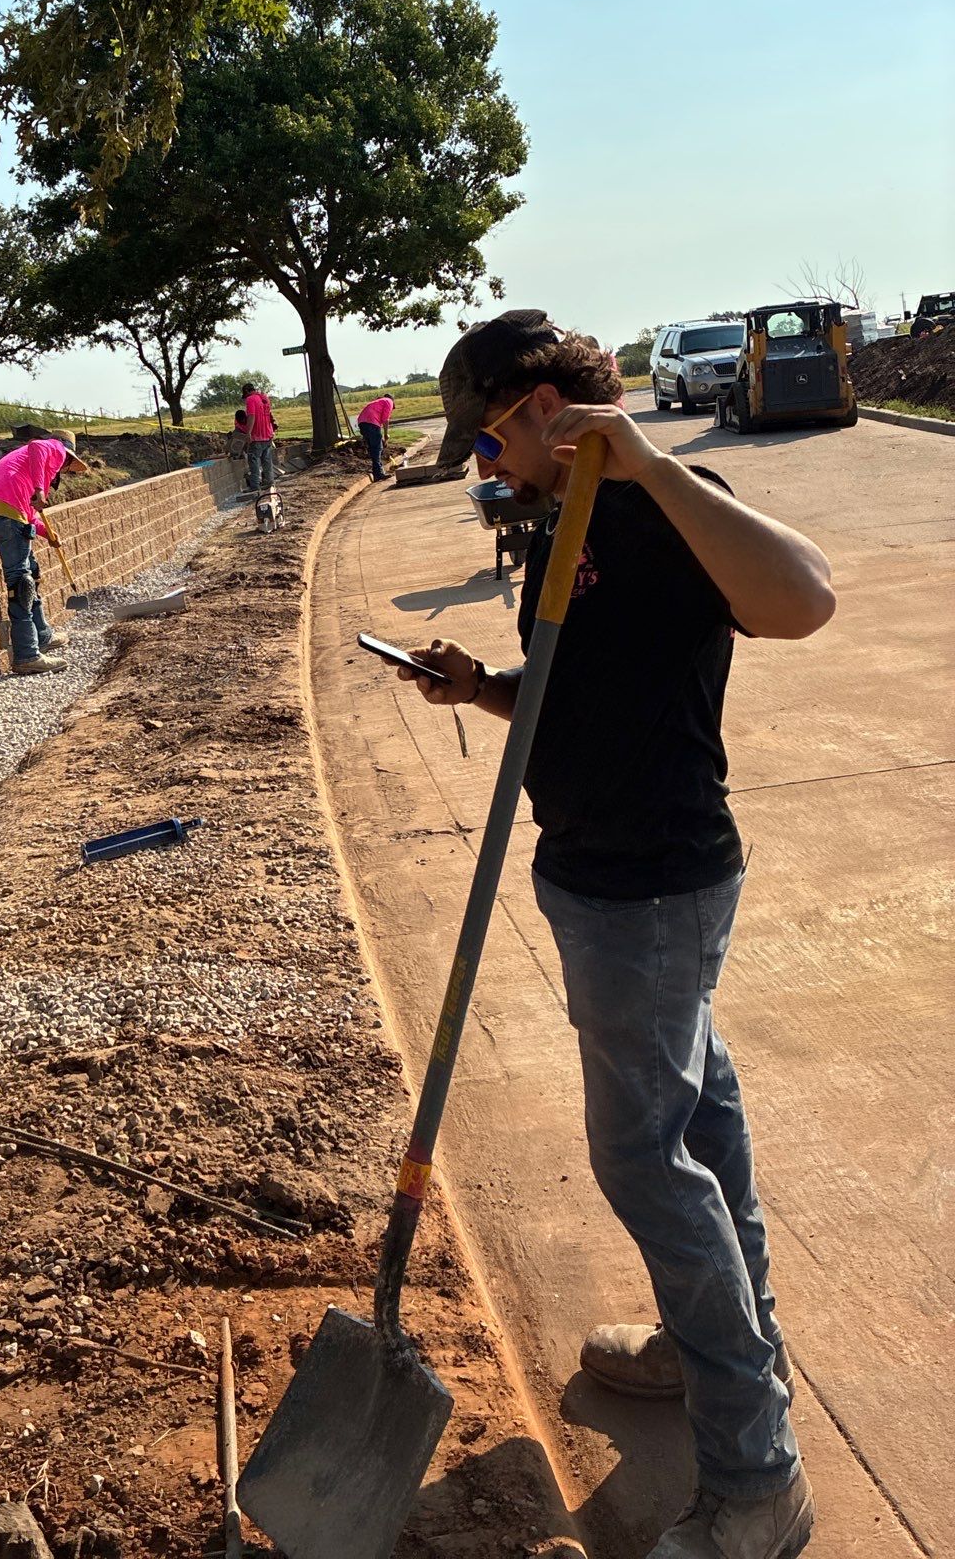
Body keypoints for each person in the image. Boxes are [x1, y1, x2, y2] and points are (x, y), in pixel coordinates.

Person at [399, 310, 834, 1559]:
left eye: (489, 440)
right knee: (700, 1122)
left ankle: (757, 1482)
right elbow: (577, 692)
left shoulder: (658, 502)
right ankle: (721, 1355)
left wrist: (648, 461)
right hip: (601, 874)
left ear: (543, 407)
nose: (485, 467)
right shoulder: (557, 522)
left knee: (646, 1160)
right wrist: (478, 689)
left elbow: (805, 601)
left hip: (652, 883)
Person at [0, 430, 90, 676]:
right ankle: (27, 654)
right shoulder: (53, 449)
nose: (63, 472)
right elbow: (37, 445)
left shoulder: (21, 470)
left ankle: (42, 635)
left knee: (32, 573)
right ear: (67, 456)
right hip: (5, 510)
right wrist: (40, 489)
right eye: (67, 468)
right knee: (21, 581)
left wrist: (48, 533)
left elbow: (28, 516)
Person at [241, 381, 277, 491]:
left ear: (247, 391)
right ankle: (269, 481)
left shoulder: (251, 399)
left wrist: (248, 433)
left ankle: (255, 486)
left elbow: (251, 417)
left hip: (257, 436)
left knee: (253, 460)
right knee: (266, 460)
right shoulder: (264, 398)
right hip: (267, 435)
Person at [355, 392, 395, 479]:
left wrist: (381, 437)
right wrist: (386, 434)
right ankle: (378, 474)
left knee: (374, 447)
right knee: (377, 449)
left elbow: (377, 418)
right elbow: (385, 419)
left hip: (362, 423)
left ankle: (377, 471)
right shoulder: (389, 402)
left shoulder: (378, 401)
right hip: (371, 423)